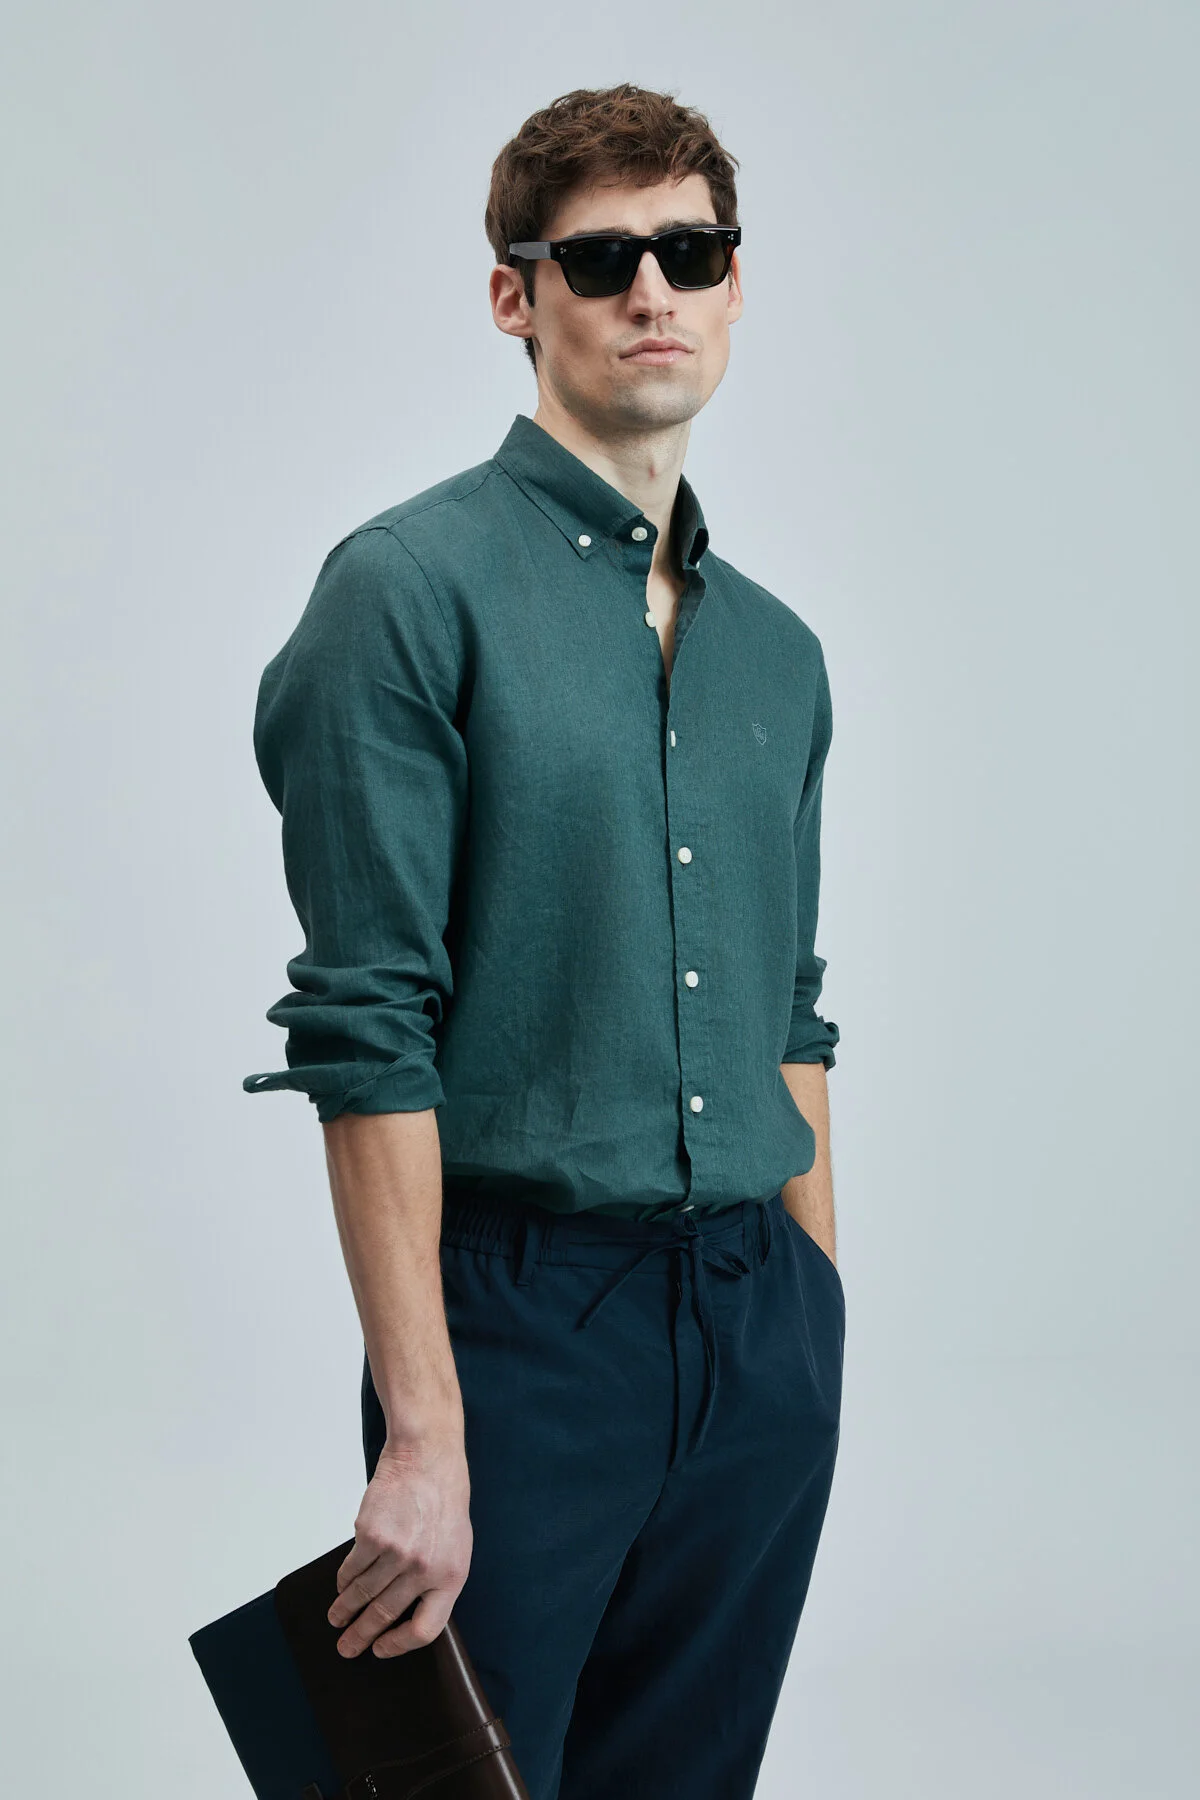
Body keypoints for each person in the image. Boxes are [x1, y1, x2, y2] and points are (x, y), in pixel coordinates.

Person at [243, 80, 846, 1800]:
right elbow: (366, 1024)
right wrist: (425, 1433)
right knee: (436, 1778)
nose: (654, 289)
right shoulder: (404, 591)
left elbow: (793, 1012)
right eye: (601, 258)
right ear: (517, 294)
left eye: (692, 252)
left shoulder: (780, 655)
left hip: (757, 1327)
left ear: (736, 284)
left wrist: (815, 1319)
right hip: (521, 1326)